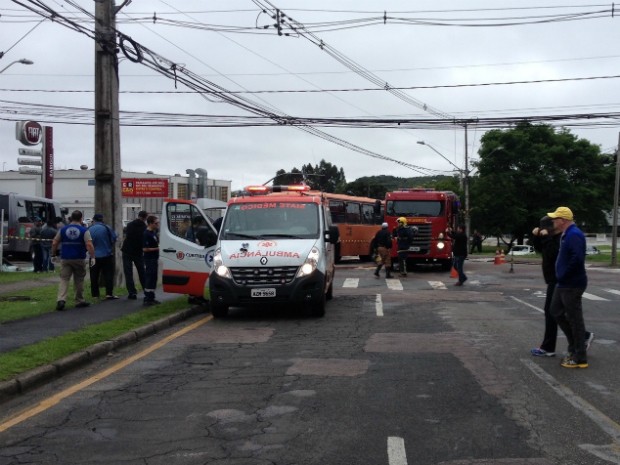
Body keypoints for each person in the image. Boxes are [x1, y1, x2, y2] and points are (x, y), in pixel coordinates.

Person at [530, 215, 595, 358]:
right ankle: (580, 337)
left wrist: (546, 237)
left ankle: (557, 346)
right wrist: (536, 237)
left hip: (561, 280)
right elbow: (540, 250)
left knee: (556, 312)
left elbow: (554, 254)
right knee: (556, 312)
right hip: (555, 279)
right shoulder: (553, 237)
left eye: (546, 226)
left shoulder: (563, 237)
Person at [547, 206, 591, 368]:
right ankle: (575, 346)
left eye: (555, 218)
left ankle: (579, 356)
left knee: (575, 320)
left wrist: (564, 274)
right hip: (564, 283)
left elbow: (577, 258)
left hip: (572, 284)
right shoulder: (566, 234)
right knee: (555, 312)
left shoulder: (574, 235)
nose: (552, 221)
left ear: (562, 220)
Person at [51, 210, 95, 311]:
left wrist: (53, 254)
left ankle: (61, 300)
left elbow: (54, 242)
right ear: (81, 219)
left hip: (65, 258)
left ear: (71, 218)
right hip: (79, 258)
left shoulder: (63, 229)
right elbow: (89, 244)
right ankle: (79, 300)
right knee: (79, 279)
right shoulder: (84, 230)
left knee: (64, 279)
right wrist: (92, 256)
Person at [88, 213, 119, 300]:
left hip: (93, 256)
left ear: (94, 220)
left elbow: (86, 242)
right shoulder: (107, 227)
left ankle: (95, 295)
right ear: (102, 220)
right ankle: (109, 294)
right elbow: (114, 238)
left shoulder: (89, 229)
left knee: (94, 276)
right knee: (108, 275)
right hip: (106, 255)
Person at [121, 210, 147, 300]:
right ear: (145, 217)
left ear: (138, 216)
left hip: (127, 251)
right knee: (142, 272)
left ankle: (132, 293)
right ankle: (146, 291)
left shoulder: (130, 225)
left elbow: (127, 235)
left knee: (128, 273)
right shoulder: (144, 227)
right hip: (138, 252)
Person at [143, 215, 160, 306]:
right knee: (150, 278)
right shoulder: (146, 234)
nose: (157, 225)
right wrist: (157, 249)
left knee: (154, 278)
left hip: (154, 258)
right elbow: (145, 249)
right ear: (150, 223)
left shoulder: (154, 233)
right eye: (156, 223)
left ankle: (152, 297)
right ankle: (147, 298)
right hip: (149, 259)